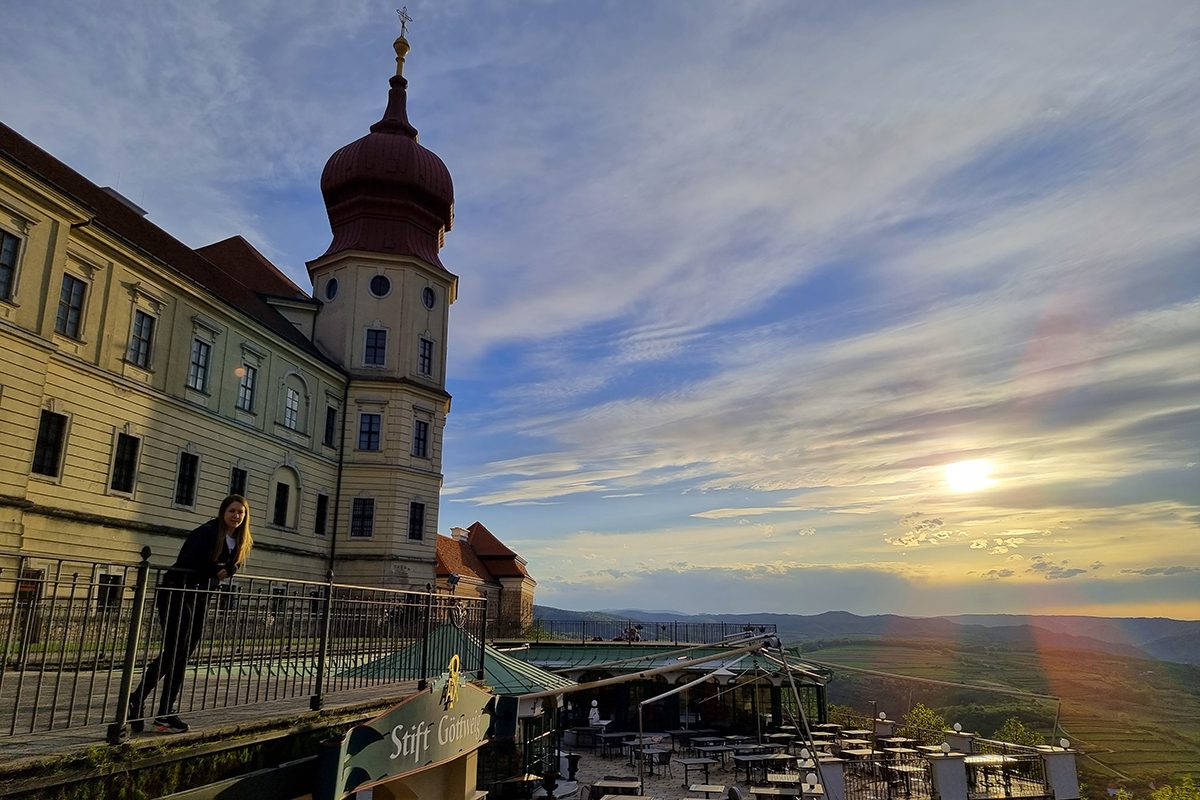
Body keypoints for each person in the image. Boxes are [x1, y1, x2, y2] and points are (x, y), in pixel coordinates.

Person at [128, 494, 253, 733]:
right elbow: (188, 561)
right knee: (175, 650)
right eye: (232, 511)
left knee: (182, 654)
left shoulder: (238, 540)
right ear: (223, 512)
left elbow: (228, 567)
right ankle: (142, 701)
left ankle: (160, 709)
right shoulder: (206, 532)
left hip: (199, 596)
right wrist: (214, 571)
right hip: (177, 592)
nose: (236, 516)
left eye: (240, 512)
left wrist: (229, 568)